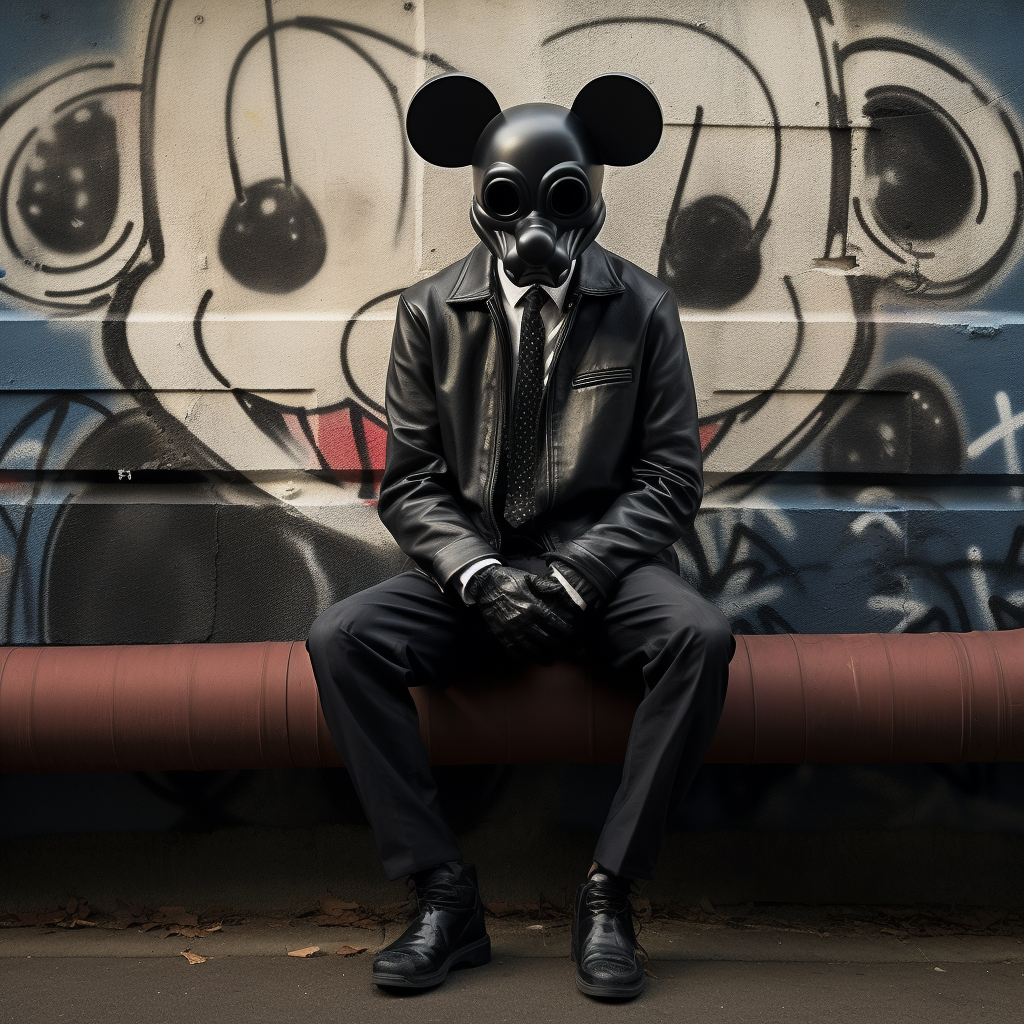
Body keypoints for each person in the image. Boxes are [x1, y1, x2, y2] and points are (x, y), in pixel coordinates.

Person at [306, 71, 733, 1000]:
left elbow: (670, 479)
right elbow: (412, 482)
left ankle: (610, 895)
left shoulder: (644, 309)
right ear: (479, 202)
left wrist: (580, 570)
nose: (534, 227)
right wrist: (477, 574)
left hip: (605, 576)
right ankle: (441, 896)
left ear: (593, 196)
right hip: (478, 572)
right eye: (509, 202)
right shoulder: (428, 312)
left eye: (562, 199)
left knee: (698, 638)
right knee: (342, 640)